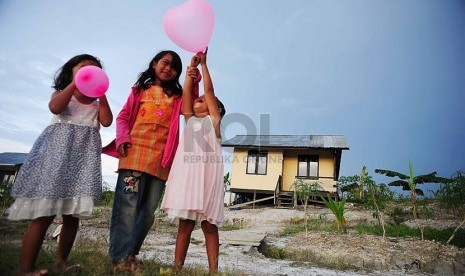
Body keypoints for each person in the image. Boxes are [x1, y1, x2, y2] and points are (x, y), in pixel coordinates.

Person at [7, 54, 113, 276]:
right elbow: (55, 107)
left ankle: (61, 262)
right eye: (84, 68)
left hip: (81, 165)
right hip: (56, 162)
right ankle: (25, 269)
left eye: (95, 71)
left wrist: (102, 94)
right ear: (70, 71)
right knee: (43, 215)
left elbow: (106, 121)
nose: (89, 72)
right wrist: (75, 84)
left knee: (71, 217)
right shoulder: (62, 95)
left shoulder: (96, 104)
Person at [102, 50, 200, 272]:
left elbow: (191, 102)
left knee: (147, 214)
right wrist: (123, 138)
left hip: (161, 161)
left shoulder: (176, 97)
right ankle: (119, 258)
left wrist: (193, 75)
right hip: (135, 155)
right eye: (165, 63)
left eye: (174, 67)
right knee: (127, 208)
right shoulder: (139, 90)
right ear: (154, 63)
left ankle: (130, 254)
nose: (168, 68)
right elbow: (123, 116)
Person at [161, 47, 226, 274]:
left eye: (205, 101)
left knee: (209, 226)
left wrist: (205, 65)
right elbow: (187, 95)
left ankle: (213, 271)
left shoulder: (214, 122)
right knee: (185, 225)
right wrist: (191, 69)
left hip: (208, 181)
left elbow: (209, 90)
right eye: (198, 101)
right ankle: (177, 269)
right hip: (189, 181)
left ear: (215, 109)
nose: (199, 100)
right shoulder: (189, 121)